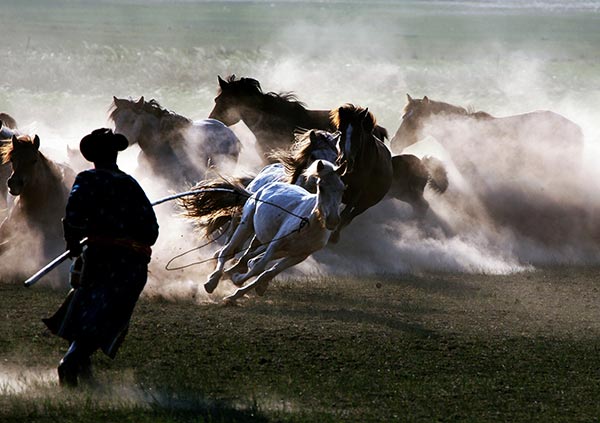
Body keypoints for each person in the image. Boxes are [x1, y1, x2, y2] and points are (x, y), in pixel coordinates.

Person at [43, 128, 159, 387]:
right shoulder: (129, 183)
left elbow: (72, 218)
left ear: (91, 156)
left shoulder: (86, 179)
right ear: (115, 154)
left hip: (97, 260)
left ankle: (82, 369)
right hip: (130, 266)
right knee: (106, 316)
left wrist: (73, 244)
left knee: (89, 311)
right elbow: (151, 230)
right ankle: (70, 365)